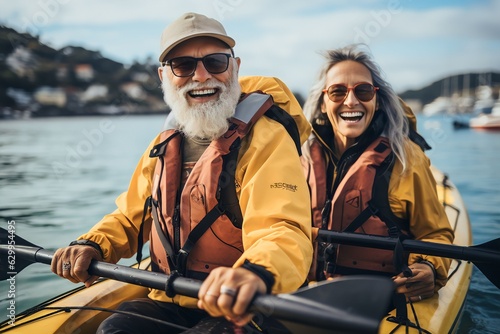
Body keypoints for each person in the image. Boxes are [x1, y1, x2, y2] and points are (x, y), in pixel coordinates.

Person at [51, 12, 313, 333]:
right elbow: (131, 216)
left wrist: (254, 273)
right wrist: (93, 244)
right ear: (164, 76)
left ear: (236, 67)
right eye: (183, 66)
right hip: (170, 296)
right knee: (114, 329)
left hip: (245, 303)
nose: (202, 76)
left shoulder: (266, 137)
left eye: (216, 62)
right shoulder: (165, 143)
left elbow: (282, 228)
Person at [300, 44, 454, 304]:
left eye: (363, 90)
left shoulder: (407, 159)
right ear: (323, 103)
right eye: (337, 92)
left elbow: (436, 234)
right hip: (308, 294)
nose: (351, 101)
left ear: (377, 100)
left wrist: (429, 266)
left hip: (379, 299)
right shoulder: (299, 156)